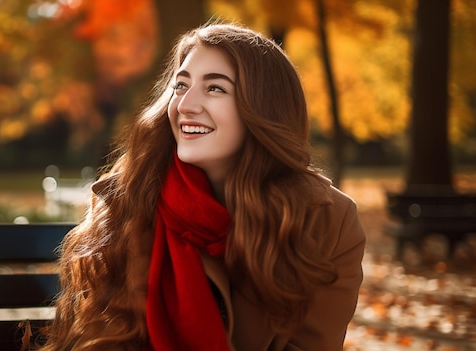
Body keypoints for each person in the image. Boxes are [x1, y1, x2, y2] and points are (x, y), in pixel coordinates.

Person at [37, 22, 366, 351]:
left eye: (215, 88)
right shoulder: (129, 197)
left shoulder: (327, 220)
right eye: (181, 86)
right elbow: (97, 339)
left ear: (265, 109)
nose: (185, 105)